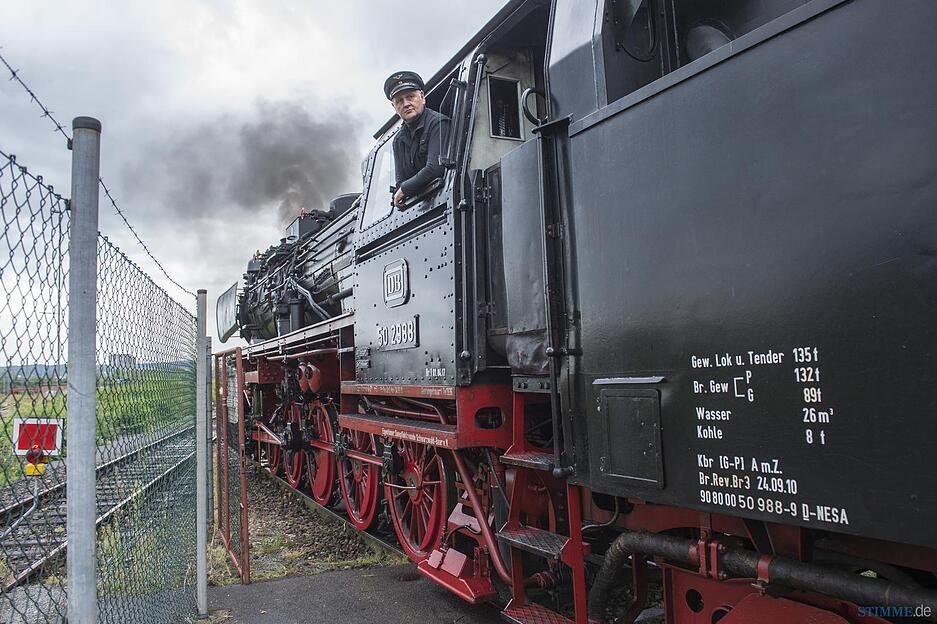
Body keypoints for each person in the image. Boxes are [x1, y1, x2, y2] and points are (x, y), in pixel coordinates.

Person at [383, 71, 450, 209]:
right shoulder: (398, 141)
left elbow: (435, 169)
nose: (406, 104)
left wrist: (405, 189)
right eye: (399, 101)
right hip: (421, 206)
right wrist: (403, 189)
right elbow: (400, 182)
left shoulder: (438, 123)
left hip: (441, 202)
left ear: (422, 97)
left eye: (410, 97)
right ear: (394, 107)